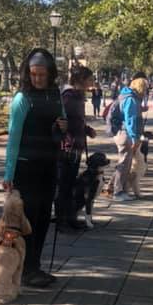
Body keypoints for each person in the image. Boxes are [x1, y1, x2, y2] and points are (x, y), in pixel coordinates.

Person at [3, 48, 67, 288]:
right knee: (26, 221)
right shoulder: (23, 99)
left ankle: (35, 266)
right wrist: (8, 174)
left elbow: (61, 124)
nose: (37, 79)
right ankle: (23, 269)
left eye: (42, 74)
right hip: (26, 168)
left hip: (49, 166)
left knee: (42, 219)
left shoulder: (55, 95)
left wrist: (63, 125)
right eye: (33, 74)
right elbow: (13, 138)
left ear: (50, 74)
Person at [56, 66, 97, 232]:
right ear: (81, 80)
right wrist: (68, 135)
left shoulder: (78, 97)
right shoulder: (68, 97)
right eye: (89, 79)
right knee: (64, 185)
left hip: (76, 148)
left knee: (71, 184)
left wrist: (86, 130)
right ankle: (61, 221)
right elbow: (61, 121)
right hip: (67, 149)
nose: (91, 83)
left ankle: (70, 217)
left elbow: (76, 121)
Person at [112, 74, 149, 202]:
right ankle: (118, 191)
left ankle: (116, 188)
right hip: (125, 134)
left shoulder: (126, 96)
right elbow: (131, 120)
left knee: (125, 163)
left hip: (122, 132)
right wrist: (135, 138)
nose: (146, 91)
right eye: (145, 88)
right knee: (124, 163)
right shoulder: (131, 99)